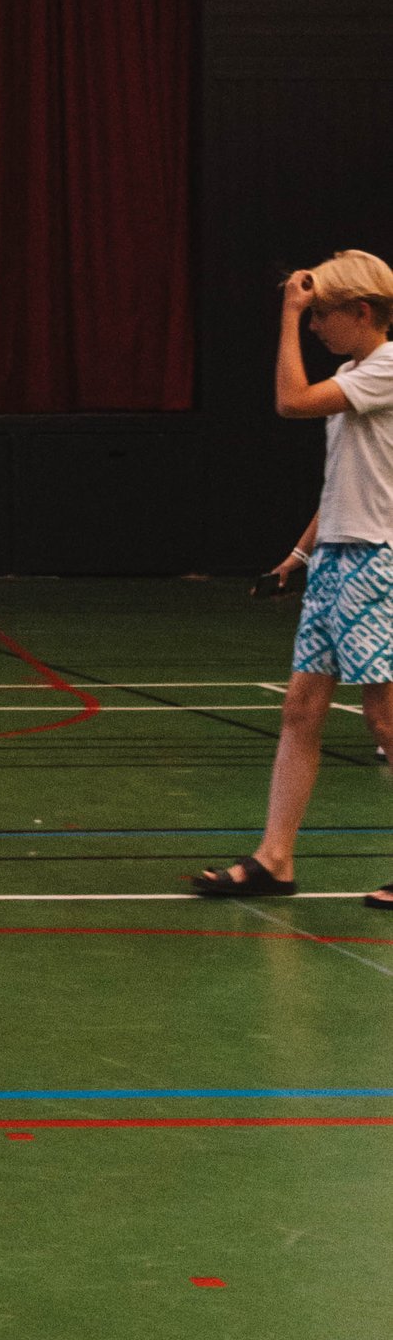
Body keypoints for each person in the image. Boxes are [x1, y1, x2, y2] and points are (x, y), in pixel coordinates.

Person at [193, 254, 393, 904]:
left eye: (321, 314)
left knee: (385, 719)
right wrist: (299, 558)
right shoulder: (353, 374)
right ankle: (274, 859)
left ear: (361, 311)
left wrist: (286, 312)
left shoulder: (389, 367)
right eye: (307, 316)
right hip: (336, 560)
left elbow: (290, 401)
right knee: (301, 709)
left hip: (378, 562)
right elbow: (342, 484)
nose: (313, 326)